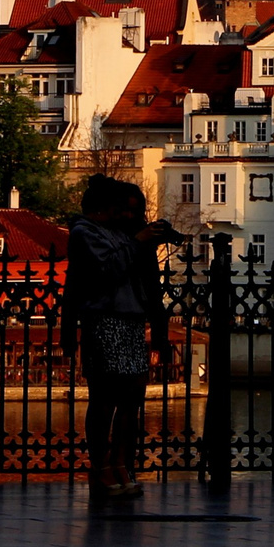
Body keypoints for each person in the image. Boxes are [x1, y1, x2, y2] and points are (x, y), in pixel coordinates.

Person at [60, 175, 171, 502]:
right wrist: (138, 242)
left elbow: (149, 283)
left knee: (133, 396)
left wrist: (159, 329)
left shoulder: (127, 234)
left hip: (131, 320)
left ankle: (121, 463)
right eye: (124, 209)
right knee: (105, 397)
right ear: (107, 207)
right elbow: (107, 269)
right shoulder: (84, 233)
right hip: (104, 319)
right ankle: (101, 468)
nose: (130, 216)